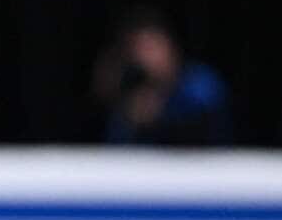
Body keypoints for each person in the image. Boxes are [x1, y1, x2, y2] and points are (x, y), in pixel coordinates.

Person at [93, 8, 231, 147]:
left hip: (205, 163)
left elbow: (205, 116)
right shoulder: (130, 91)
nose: (144, 58)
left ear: (168, 46)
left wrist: (161, 113)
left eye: (150, 47)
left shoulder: (199, 81)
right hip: (140, 165)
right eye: (137, 49)